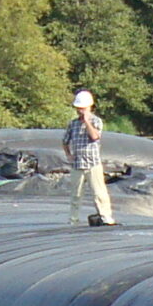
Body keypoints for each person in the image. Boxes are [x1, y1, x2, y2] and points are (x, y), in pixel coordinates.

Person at [65, 88, 114, 227]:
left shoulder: (96, 121)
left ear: (89, 107)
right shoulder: (73, 124)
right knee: (75, 195)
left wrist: (87, 122)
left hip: (93, 164)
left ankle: (106, 217)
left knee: (99, 194)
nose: (80, 111)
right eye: (78, 108)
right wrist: (69, 155)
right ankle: (73, 220)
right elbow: (65, 141)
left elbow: (94, 137)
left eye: (82, 108)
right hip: (77, 164)